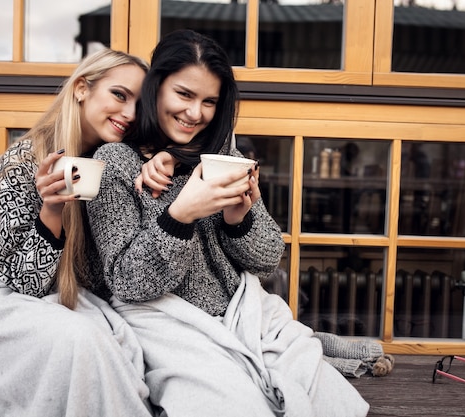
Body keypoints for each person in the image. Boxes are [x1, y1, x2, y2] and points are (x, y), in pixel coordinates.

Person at [87, 29, 370, 417]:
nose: (195, 113)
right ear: (156, 88)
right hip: (166, 323)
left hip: (241, 312)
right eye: (184, 94)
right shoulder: (115, 163)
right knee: (233, 405)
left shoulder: (223, 156)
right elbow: (128, 282)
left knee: (321, 396)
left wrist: (240, 218)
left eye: (209, 102)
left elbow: (268, 259)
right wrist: (180, 216)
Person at [0, 48, 166, 417]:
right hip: (5, 306)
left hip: (80, 300)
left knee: (132, 343)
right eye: (119, 95)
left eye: (140, 105)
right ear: (82, 88)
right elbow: (25, 284)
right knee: (81, 341)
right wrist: (52, 208)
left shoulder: (118, 163)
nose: (131, 114)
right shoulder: (23, 161)